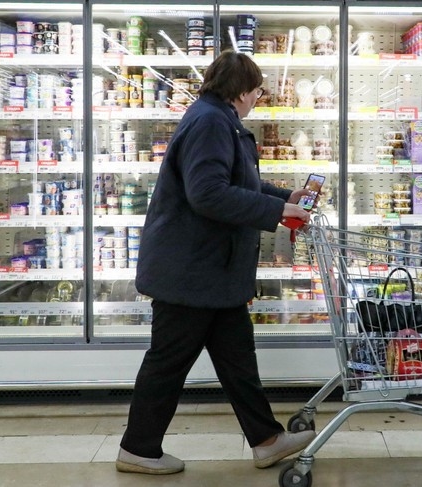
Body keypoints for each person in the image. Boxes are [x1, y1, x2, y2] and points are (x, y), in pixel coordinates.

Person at [116, 50, 316, 475]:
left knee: (237, 357)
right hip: (190, 270)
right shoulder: (210, 121)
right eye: (259, 91)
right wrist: (275, 213)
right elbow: (207, 192)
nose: (259, 99)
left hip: (210, 270)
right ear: (243, 90)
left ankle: (266, 440)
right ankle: (138, 448)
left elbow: (236, 180)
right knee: (168, 362)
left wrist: (284, 198)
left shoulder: (216, 118)